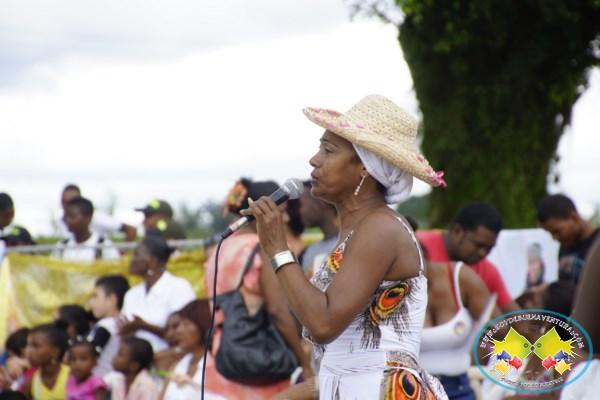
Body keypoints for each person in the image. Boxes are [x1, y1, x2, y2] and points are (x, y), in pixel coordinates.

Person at [243, 95, 448, 398]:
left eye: (328, 150)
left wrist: (277, 248)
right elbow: (350, 354)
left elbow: (323, 325)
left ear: (365, 167)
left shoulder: (380, 228)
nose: (314, 160)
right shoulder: (359, 229)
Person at [204, 178, 312, 397]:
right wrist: (304, 362)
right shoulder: (261, 247)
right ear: (263, 209)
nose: (284, 218)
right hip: (259, 364)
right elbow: (278, 311)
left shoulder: (220, 248)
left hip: (222, 358)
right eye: (280, 211)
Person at [417, 203, 520, 314]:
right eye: (478, 245)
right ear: (457, 231)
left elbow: (514, 315)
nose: (482, 253)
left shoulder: (488, 271)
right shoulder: (418, 248)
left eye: (489, 248)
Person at [419, 260, 493, 399]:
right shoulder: (393, 284)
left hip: (458, 387)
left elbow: (499, 330)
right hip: (409, 386)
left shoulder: (462, 277)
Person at [119, 236, 195, 352]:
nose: (132, 259)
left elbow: (186, 335)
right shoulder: (131, 294)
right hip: (136, 360)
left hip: (171, 358)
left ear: (153, 262)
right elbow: (123, 332)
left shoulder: (179, 287)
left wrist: (143, 326)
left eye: (137, 255)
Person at [160, 299, 225, 400]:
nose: (179, 330)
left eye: (186, 324)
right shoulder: (177, 366)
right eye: (179, 325)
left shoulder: (219, 366)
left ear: (204, 325)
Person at [537, 194, 599, 285]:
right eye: (550, 233)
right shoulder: (564, 248)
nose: (554, 238)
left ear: (574, 218)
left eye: (557, 231)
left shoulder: (597, 244)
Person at [52, 197, 121, 262]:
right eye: (66, 216)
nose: (68, 220)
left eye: (72, 216)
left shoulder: (104, 247)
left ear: (88, 218)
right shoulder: (62, 247)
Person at [59, 184, 136, 241]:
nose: (68, 206)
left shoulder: (97, 218)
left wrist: (121, 255)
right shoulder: (59, 221)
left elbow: (131, 230)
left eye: (73, 201)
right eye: (64, 202)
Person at [88, 275, 130, 377]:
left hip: (99, 379)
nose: (90, 302)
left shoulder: (106, 325)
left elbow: (89, 352)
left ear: (112, 299)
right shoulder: (125, 322)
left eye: (95, 296)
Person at [299, 180, 338, 277]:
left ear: (321, 203)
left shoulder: (347, 246)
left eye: (303, 204)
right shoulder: (309, 251)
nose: (301, 211)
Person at [23, 323, 70, 400]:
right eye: (28, 345)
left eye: (36, 346)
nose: (28, 351)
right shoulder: (31, 382)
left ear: (55, 351)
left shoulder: (72, 376)